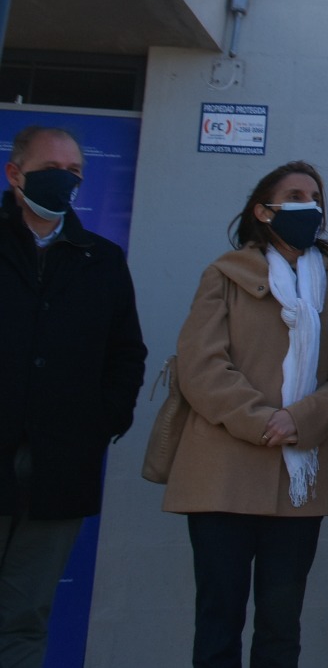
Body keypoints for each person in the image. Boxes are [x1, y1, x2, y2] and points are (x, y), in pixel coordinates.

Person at [164, 161, 328, 668]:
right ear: (263, 210)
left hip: (299, 479)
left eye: (316, 196)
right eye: (295, 194)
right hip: (221, 475)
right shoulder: (224, 273)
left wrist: (303, 418)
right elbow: (201, 364)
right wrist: (260, 420)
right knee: (219, 619)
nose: (310, 204)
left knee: (281, 625)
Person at [0, 126, 145, 668]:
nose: (66, 180)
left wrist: (98, 426)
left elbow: (126, 354)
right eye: (53, 168)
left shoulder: (101, 259)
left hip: (58, 470)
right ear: (15, 174)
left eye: (76, 172)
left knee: (24, 616)